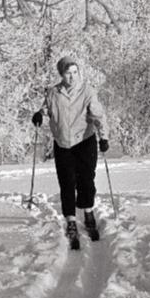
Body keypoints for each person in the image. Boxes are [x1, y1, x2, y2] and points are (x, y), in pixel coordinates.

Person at [32, 56, 109, 250]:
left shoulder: (87, 91)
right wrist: (39, 114)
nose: (72, 76)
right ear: (61, 74)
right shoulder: (53, 93)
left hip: (84, 141)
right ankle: (71, 220)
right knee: (66, 182)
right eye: (68, 73)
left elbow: (98, 115)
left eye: (75, 72)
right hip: (63, 143)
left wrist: (104, 137)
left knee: (86, 180)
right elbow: (45, 108)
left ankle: (89, 212)